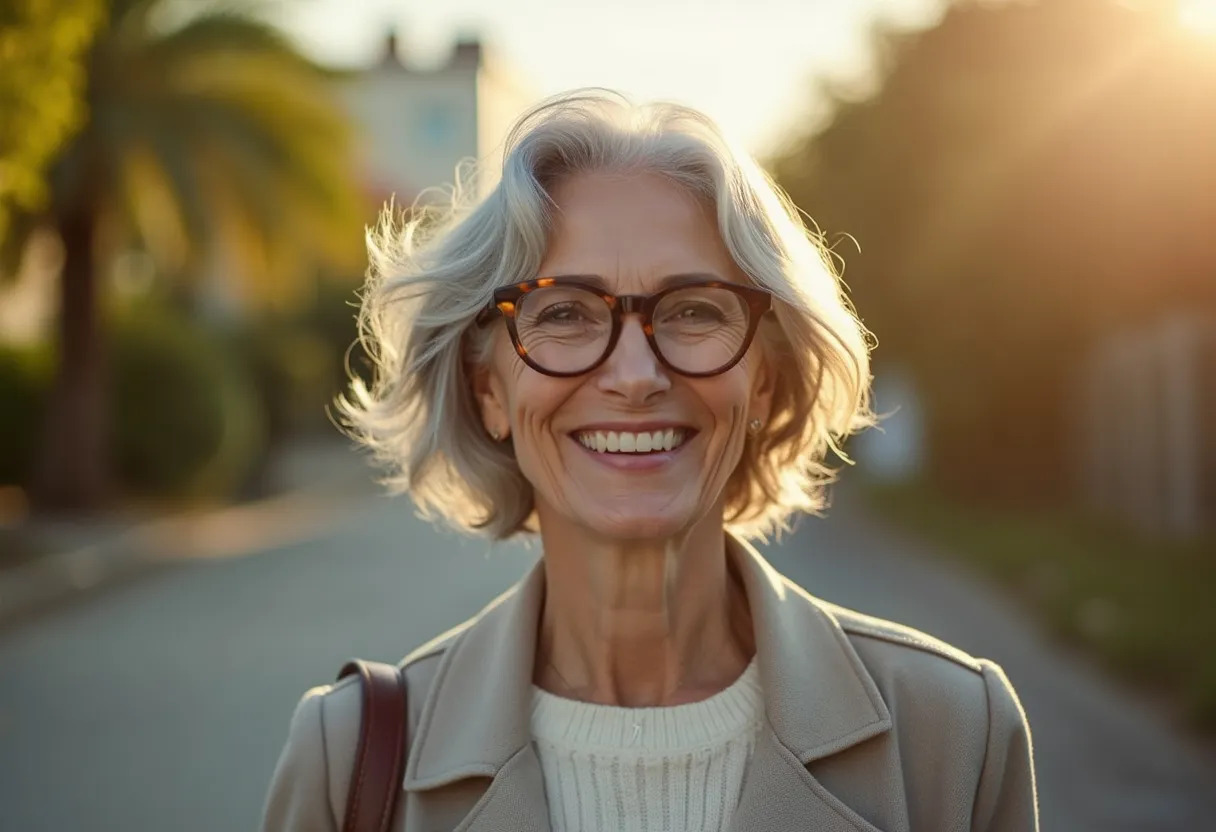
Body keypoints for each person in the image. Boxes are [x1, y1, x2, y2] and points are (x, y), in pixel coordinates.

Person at [260, 89, 1038, 832]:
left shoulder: (953, 734)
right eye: (563, 311)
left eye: (694, 309)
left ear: (763, 377)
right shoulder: (352, 758)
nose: (636, 377)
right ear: (488, 389)